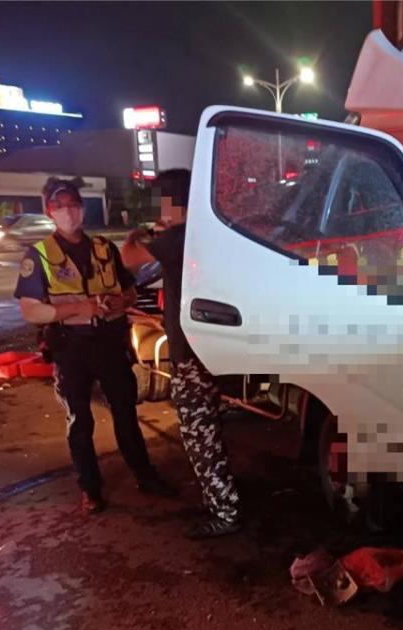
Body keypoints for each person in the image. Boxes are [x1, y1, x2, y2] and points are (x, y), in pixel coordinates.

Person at [15, 178, 177, 514]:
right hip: (71, 348)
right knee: (80, 420)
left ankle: (145, 475)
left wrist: (120, 302)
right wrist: (77, 308)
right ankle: (90, 488)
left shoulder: (104, 248)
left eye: (73, 204)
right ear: (50, 211)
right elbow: (30, 310)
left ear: (82, 207)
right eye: (60, 206)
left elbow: (130, 289)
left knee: (125, 412)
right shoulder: (40, 255)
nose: (68, 211)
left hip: (109, 343)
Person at [121, 169, 241, 539]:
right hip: (205, 347)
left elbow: (129, 258)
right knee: (206, 428)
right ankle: (217, 498)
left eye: (161, 202)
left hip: (191, 353)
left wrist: (136, 234)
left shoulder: (177, 238)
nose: (159, 210)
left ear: (174, 203)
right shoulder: (207, 235)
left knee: (198, 433)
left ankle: (226, 510)